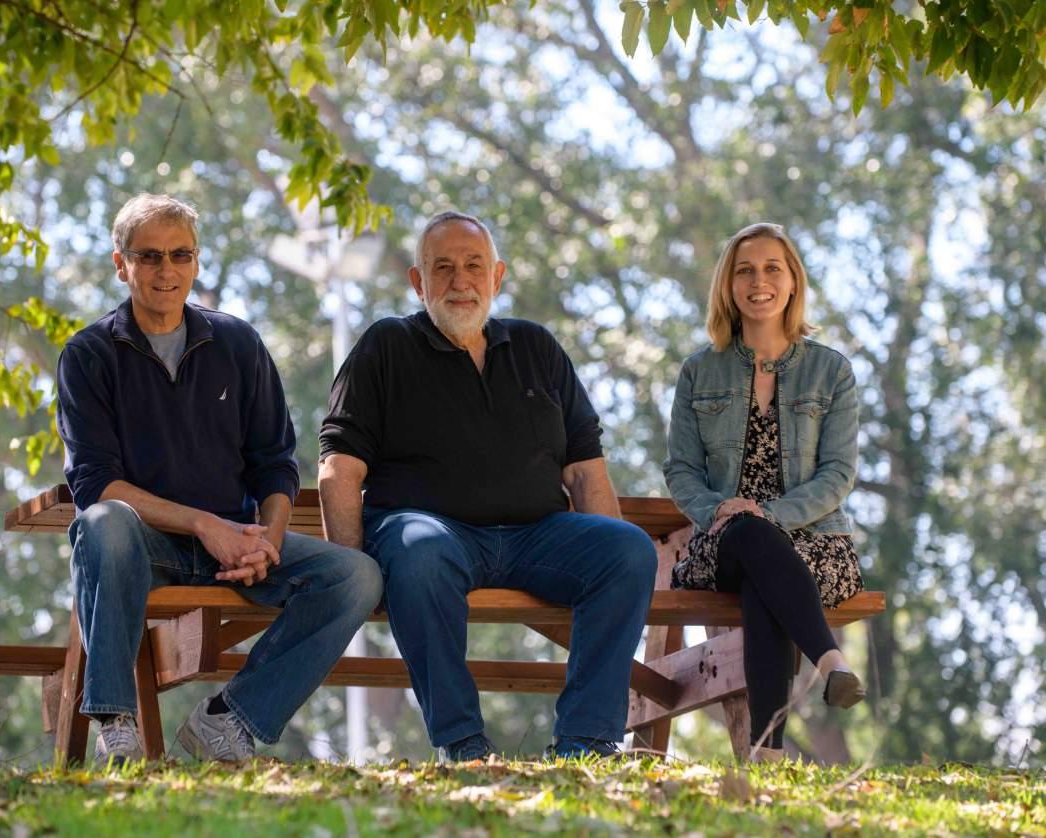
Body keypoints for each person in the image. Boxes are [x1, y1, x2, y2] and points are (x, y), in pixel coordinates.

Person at [317, 210, 658, 762]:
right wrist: (352, 575)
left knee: (628, 550)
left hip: (536, 536)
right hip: (430, 534)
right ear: (417, 280)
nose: (460, 280)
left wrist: (606, 551)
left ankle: (587, 743)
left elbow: (585, 472)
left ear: (497, 277)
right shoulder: (386, 345)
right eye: (443, 267)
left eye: (474, 265)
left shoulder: (537, 348)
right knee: (421, 549)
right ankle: (464, 744)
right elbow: (339, 468)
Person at [56, 193, 382, 766]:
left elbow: (276, 461)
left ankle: (228, 720)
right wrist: (207, 526)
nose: (166, 271)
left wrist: (268, 541)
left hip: (232, 549)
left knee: (354, 575)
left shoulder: (237, 343)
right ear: (120, 264)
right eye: (149, 256)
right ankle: (117, 721)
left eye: (180, 255)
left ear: (197, 262)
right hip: (144, 547)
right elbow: (96, 485)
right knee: (103, 524)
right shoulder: (88, 356)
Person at [664, 222, 867, 761]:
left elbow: (838, 473)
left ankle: (766, 754)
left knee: (764, 571)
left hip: (816, 542)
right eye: (745, 270)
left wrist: (771, 514)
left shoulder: (832, 372)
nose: (759, 281)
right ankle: (830, 662)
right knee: (752, 541)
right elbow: (681, 470)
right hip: (724, 540)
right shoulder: (698, 372)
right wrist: (720, 510)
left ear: (793, 281)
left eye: (772, 268)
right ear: (728, 286)